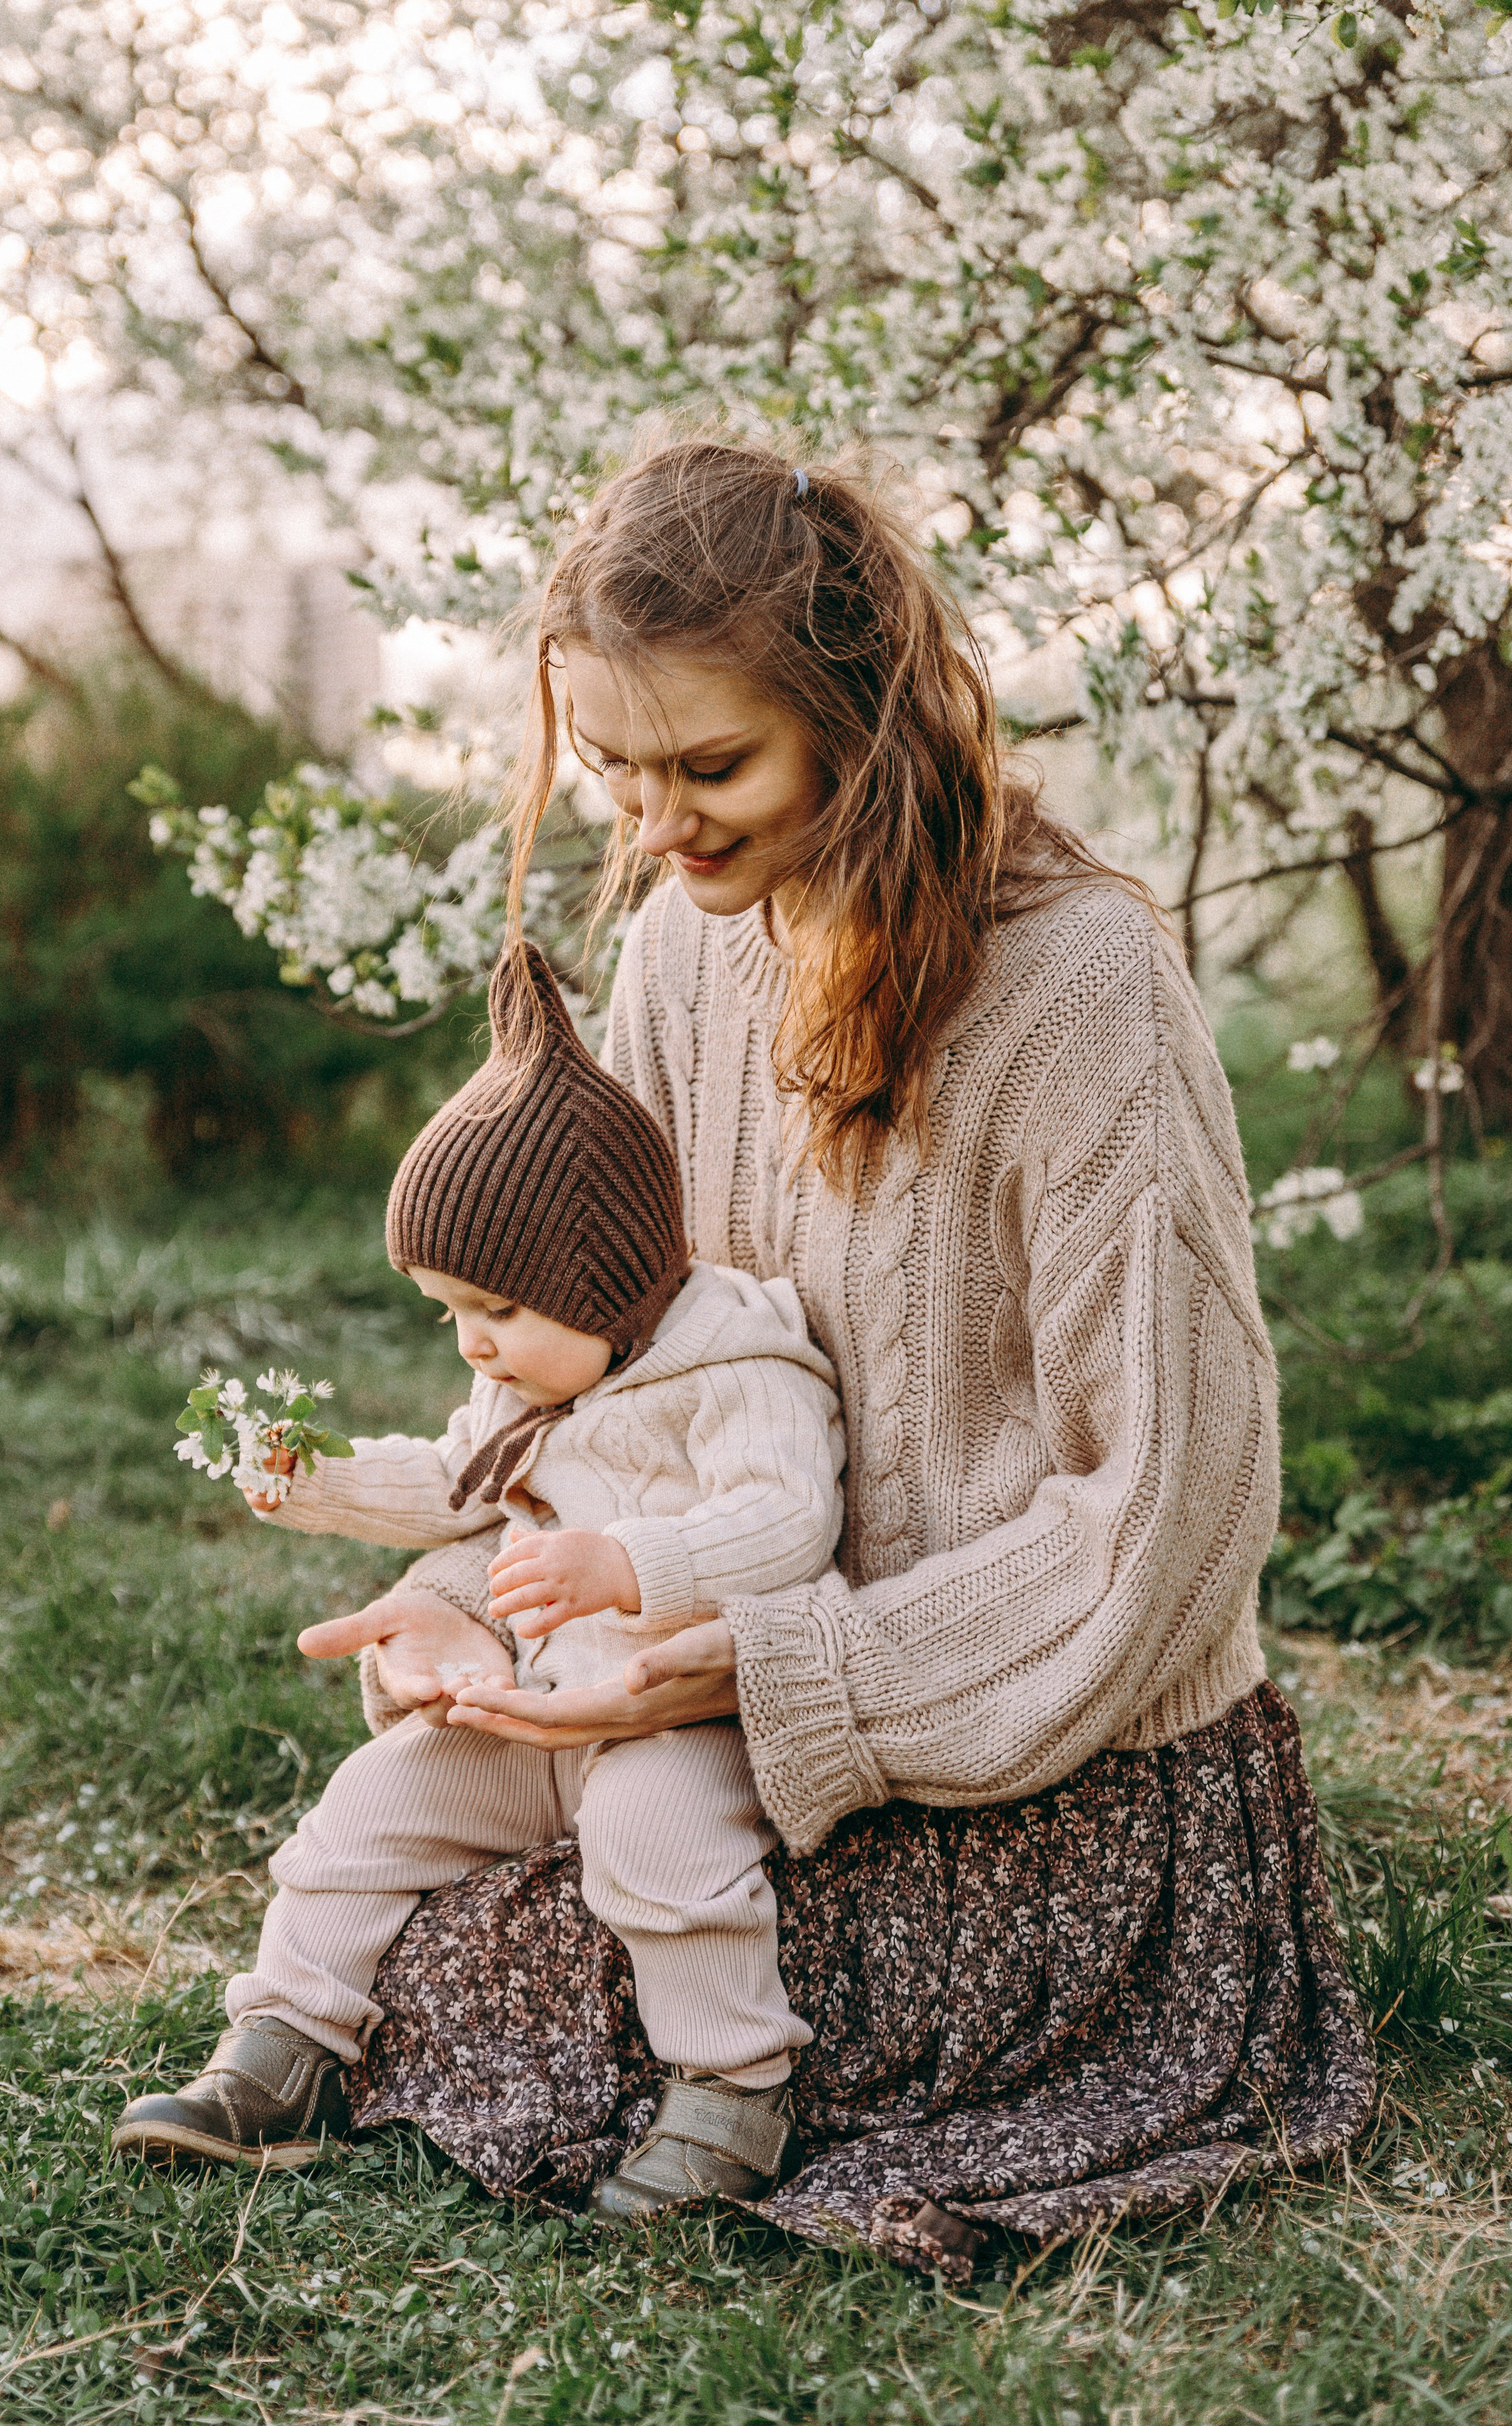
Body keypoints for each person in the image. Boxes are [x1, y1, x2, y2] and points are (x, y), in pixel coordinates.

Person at [310, 436, 1375, 2274]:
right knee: (412, 1919)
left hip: (1050, 1737)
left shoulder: (1081, 987)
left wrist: (790, 1669)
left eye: (711, 767)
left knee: (591, 2012)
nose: (655, 830)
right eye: (619, 776)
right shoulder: (675, 948)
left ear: (867, 715)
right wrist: (485, 1606)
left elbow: (1170, 1513)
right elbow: (606, 1378)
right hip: (734, 1707)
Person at [112, 947, 845, 2215]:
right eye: (445, 1311)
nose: (471, 1342)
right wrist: (316, 1478)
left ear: (600, 1274)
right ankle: (286, 2052)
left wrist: (631, 1564)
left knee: (652, 1839)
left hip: (681, 1713)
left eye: (492, 1305)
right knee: (366, 1806)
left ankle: (729, 2095)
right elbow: (455, 1476)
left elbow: (788, 1521)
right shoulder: (531, 1379)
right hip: (535, 1712)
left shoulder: (738, 1371)